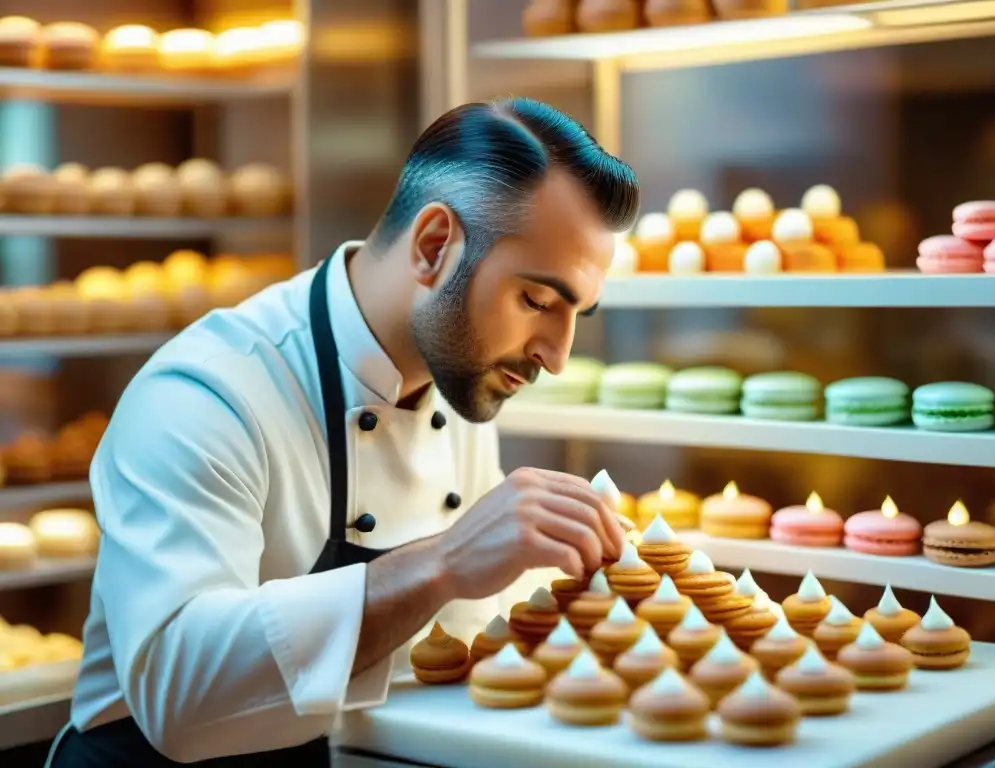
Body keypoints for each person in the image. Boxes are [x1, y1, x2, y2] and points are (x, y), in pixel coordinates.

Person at [47, 97, 640, 767]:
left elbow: (460, 643)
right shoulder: (206, 392)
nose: (556, 356)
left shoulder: (459, 376)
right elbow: (179, 698)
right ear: (434, 246)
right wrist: (442, 563)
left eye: (576, 316)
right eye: (535, 301)